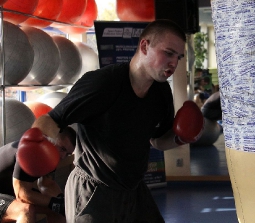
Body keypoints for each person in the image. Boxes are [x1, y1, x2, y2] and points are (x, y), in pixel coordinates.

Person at [30, 19, 203, 222]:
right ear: (145, 46)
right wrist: (47, 141)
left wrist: (181, 138)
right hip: (93, 189)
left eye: (178, 57)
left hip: (133, 189)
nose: (174, 63)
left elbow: (157, 141)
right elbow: (49, 120)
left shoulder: (161, 92)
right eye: (168, 53)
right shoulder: (102, 83)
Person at [0, 126, 76, 223]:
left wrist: (61, 201)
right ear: (51, 139)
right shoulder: (29, 151)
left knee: (57, 210)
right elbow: (22, 195)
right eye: (62, 149)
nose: (63, 156)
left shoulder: (51, 155)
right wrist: (56, 203)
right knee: (25, 210)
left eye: (67, 154)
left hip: (8, 192)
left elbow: (47, 184)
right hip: (12, 192)